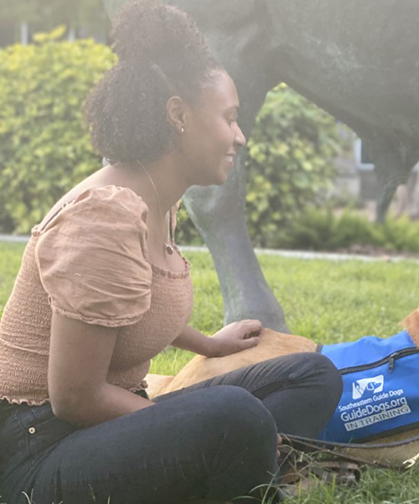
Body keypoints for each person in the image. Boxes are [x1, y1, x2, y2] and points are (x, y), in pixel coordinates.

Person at [0, 1, 342, 503]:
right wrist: (206, 424)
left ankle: (237, 457)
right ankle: (243, 460)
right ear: (178, 114)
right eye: (230, 118)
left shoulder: (157, 199)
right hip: (37, 452)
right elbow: (74, 398)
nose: (240, 137)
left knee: (312, 376)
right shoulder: (104, 219)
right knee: (234, 416)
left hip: (99, 425)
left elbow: (125, 305)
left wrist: (209, 345)